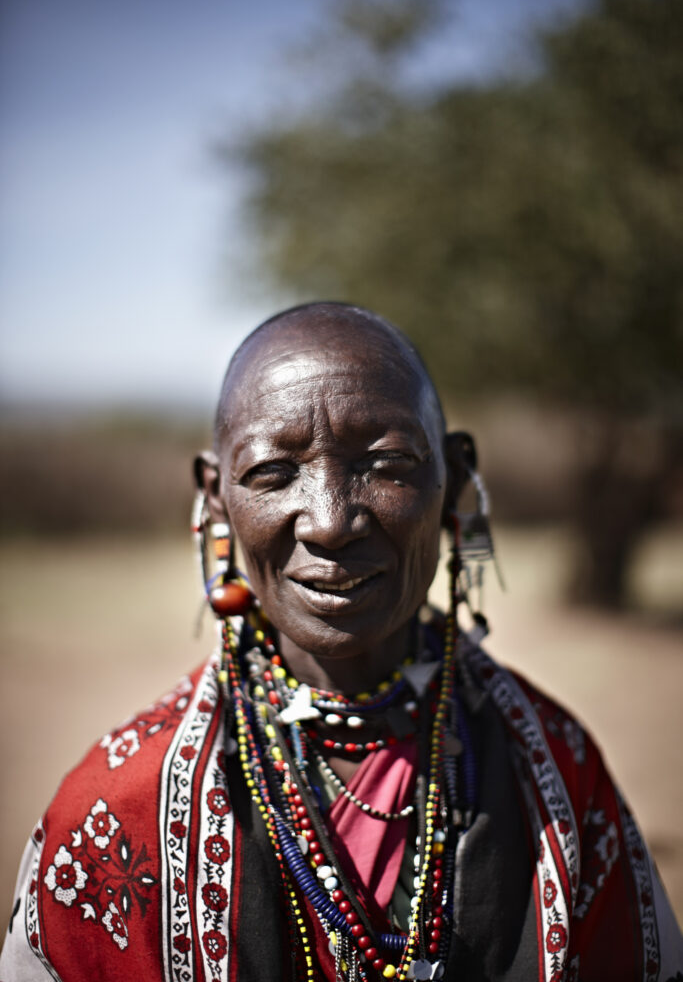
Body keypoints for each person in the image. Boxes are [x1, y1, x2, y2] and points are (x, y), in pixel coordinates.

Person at [1, 302, 680, 981]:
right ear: (214, 497)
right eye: (271, 472)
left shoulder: (558, 773)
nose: (330, 521)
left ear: (455, 481)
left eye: (386, 464)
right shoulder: (120, 808)